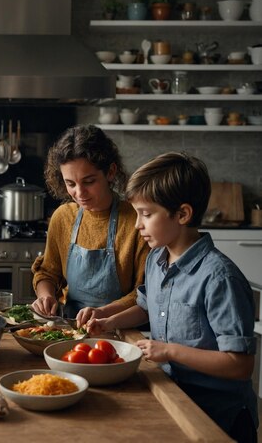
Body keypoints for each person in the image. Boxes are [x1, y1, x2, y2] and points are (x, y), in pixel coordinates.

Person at [87, 152, 257, 441]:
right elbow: (145, 307)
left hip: (220, 417)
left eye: (146, 214)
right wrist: (109, 320)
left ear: (182, 214)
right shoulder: (156, 259)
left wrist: (168, 351)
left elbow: (240, 365)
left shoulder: (219, 278)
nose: (138, 224)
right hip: (174, 397)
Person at [31, 125, 149, 327]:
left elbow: (144, 292)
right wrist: (46, 296)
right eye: (70, 183)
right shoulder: (62, 217)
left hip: (122, 329)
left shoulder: (136, 220)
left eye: (89, 181)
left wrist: (102, 313)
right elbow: (48, 272)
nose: (79, 193)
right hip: (71, 327)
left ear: (110, 172)